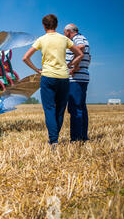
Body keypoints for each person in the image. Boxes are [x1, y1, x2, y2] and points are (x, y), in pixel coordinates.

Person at [22, 14, 83, 146]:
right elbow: (80, 54)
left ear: (44, 26)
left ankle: (54, 140)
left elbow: (25, 57)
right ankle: (55, 137)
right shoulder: (64, 39)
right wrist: (69, 65)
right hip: (63, 77)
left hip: (48, 77)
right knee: (60, 109)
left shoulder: (41, 39)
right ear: (56, 25)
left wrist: (37, 70)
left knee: (49, 109)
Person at [64, 23, 90, 142]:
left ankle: (76, 138)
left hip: (76, 79)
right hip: (82, 78)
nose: (64, 35)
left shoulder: (77, 38)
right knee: (81, 107)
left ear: (69, 32)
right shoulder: (82, 37)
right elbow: (89, 57)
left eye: (64, 33)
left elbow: (81, 48)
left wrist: (73, 66)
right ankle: (83, 136)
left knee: (75, 108)